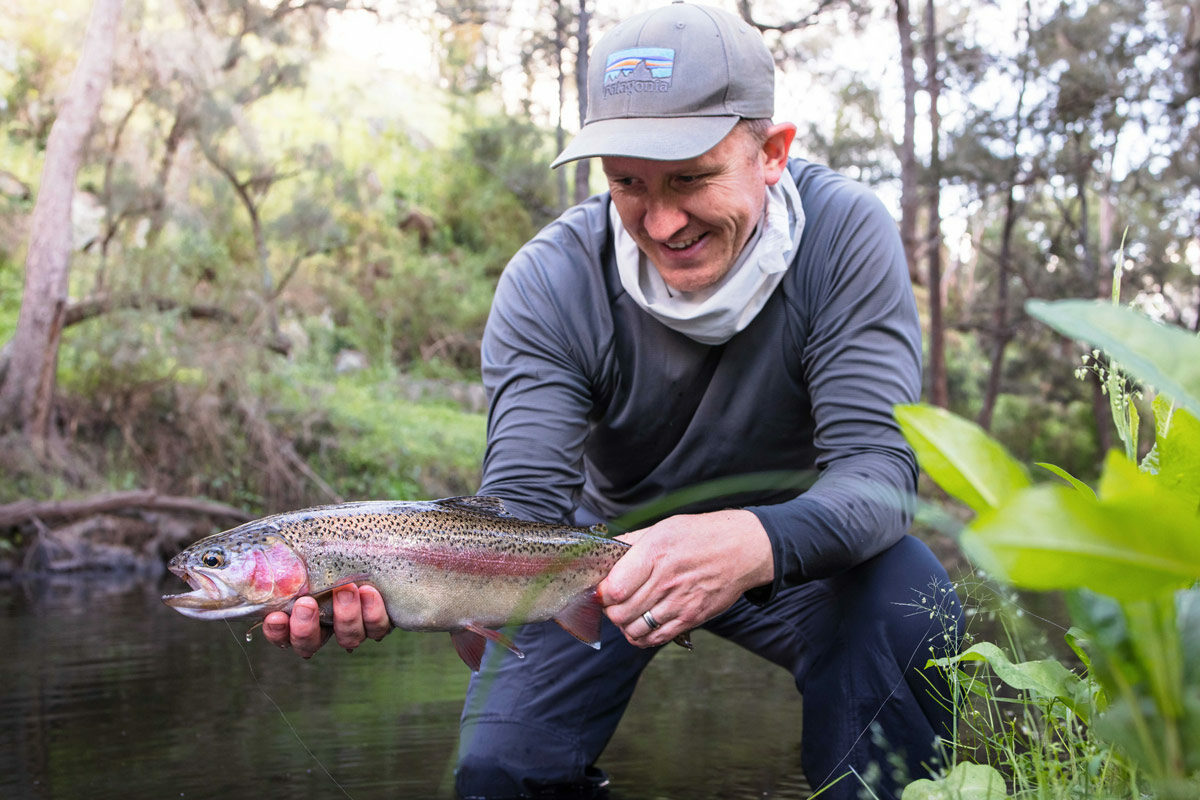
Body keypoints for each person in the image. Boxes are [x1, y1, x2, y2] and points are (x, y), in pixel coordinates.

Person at [263, 4, 964, 799]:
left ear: (771, 152)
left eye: (691, 178)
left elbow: (877, 478)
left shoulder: (844, 237)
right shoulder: (551, 279)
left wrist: (748, 542)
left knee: (911, 601)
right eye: (627, 183)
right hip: (593, 557)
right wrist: (391, 576)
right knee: (499, 773)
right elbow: (521, 505)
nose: (661, 222)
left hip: (800, 547)